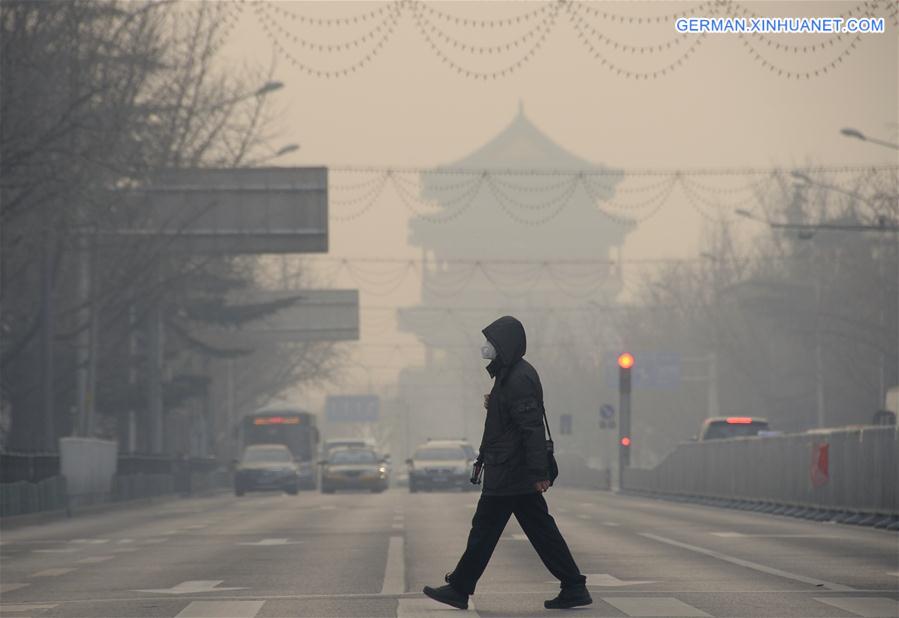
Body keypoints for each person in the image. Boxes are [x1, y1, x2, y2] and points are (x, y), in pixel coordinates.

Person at [423, 316, 592, 610]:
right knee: (538, 531)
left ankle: (460, 587)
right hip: (510, 470)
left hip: (512, 472)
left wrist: (538, 472)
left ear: (507, 345)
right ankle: (573, 586)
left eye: (492, 342)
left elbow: (531, 427)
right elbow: (512, 423)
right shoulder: (509, 375)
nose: (487, 347)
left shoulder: (518, 378)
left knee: (486, 530)